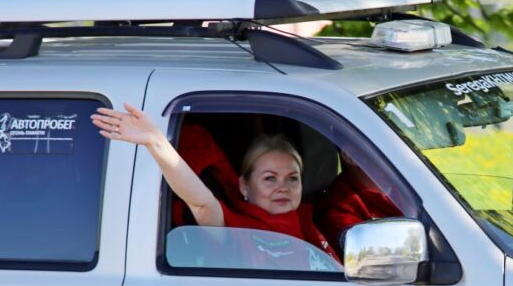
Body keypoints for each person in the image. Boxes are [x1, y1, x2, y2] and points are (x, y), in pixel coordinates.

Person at [92, 104, 338, 260]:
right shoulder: (236, 229)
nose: (282, 186)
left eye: (292, 178)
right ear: (244, 185)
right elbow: (201, 203)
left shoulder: (308, 220)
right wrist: (156, 142)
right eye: (269, 178)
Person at [315, 151, 402, 249]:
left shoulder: (408, 190)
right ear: (350, 156)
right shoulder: (339, 210)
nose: (399, 158)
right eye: (385, 150)